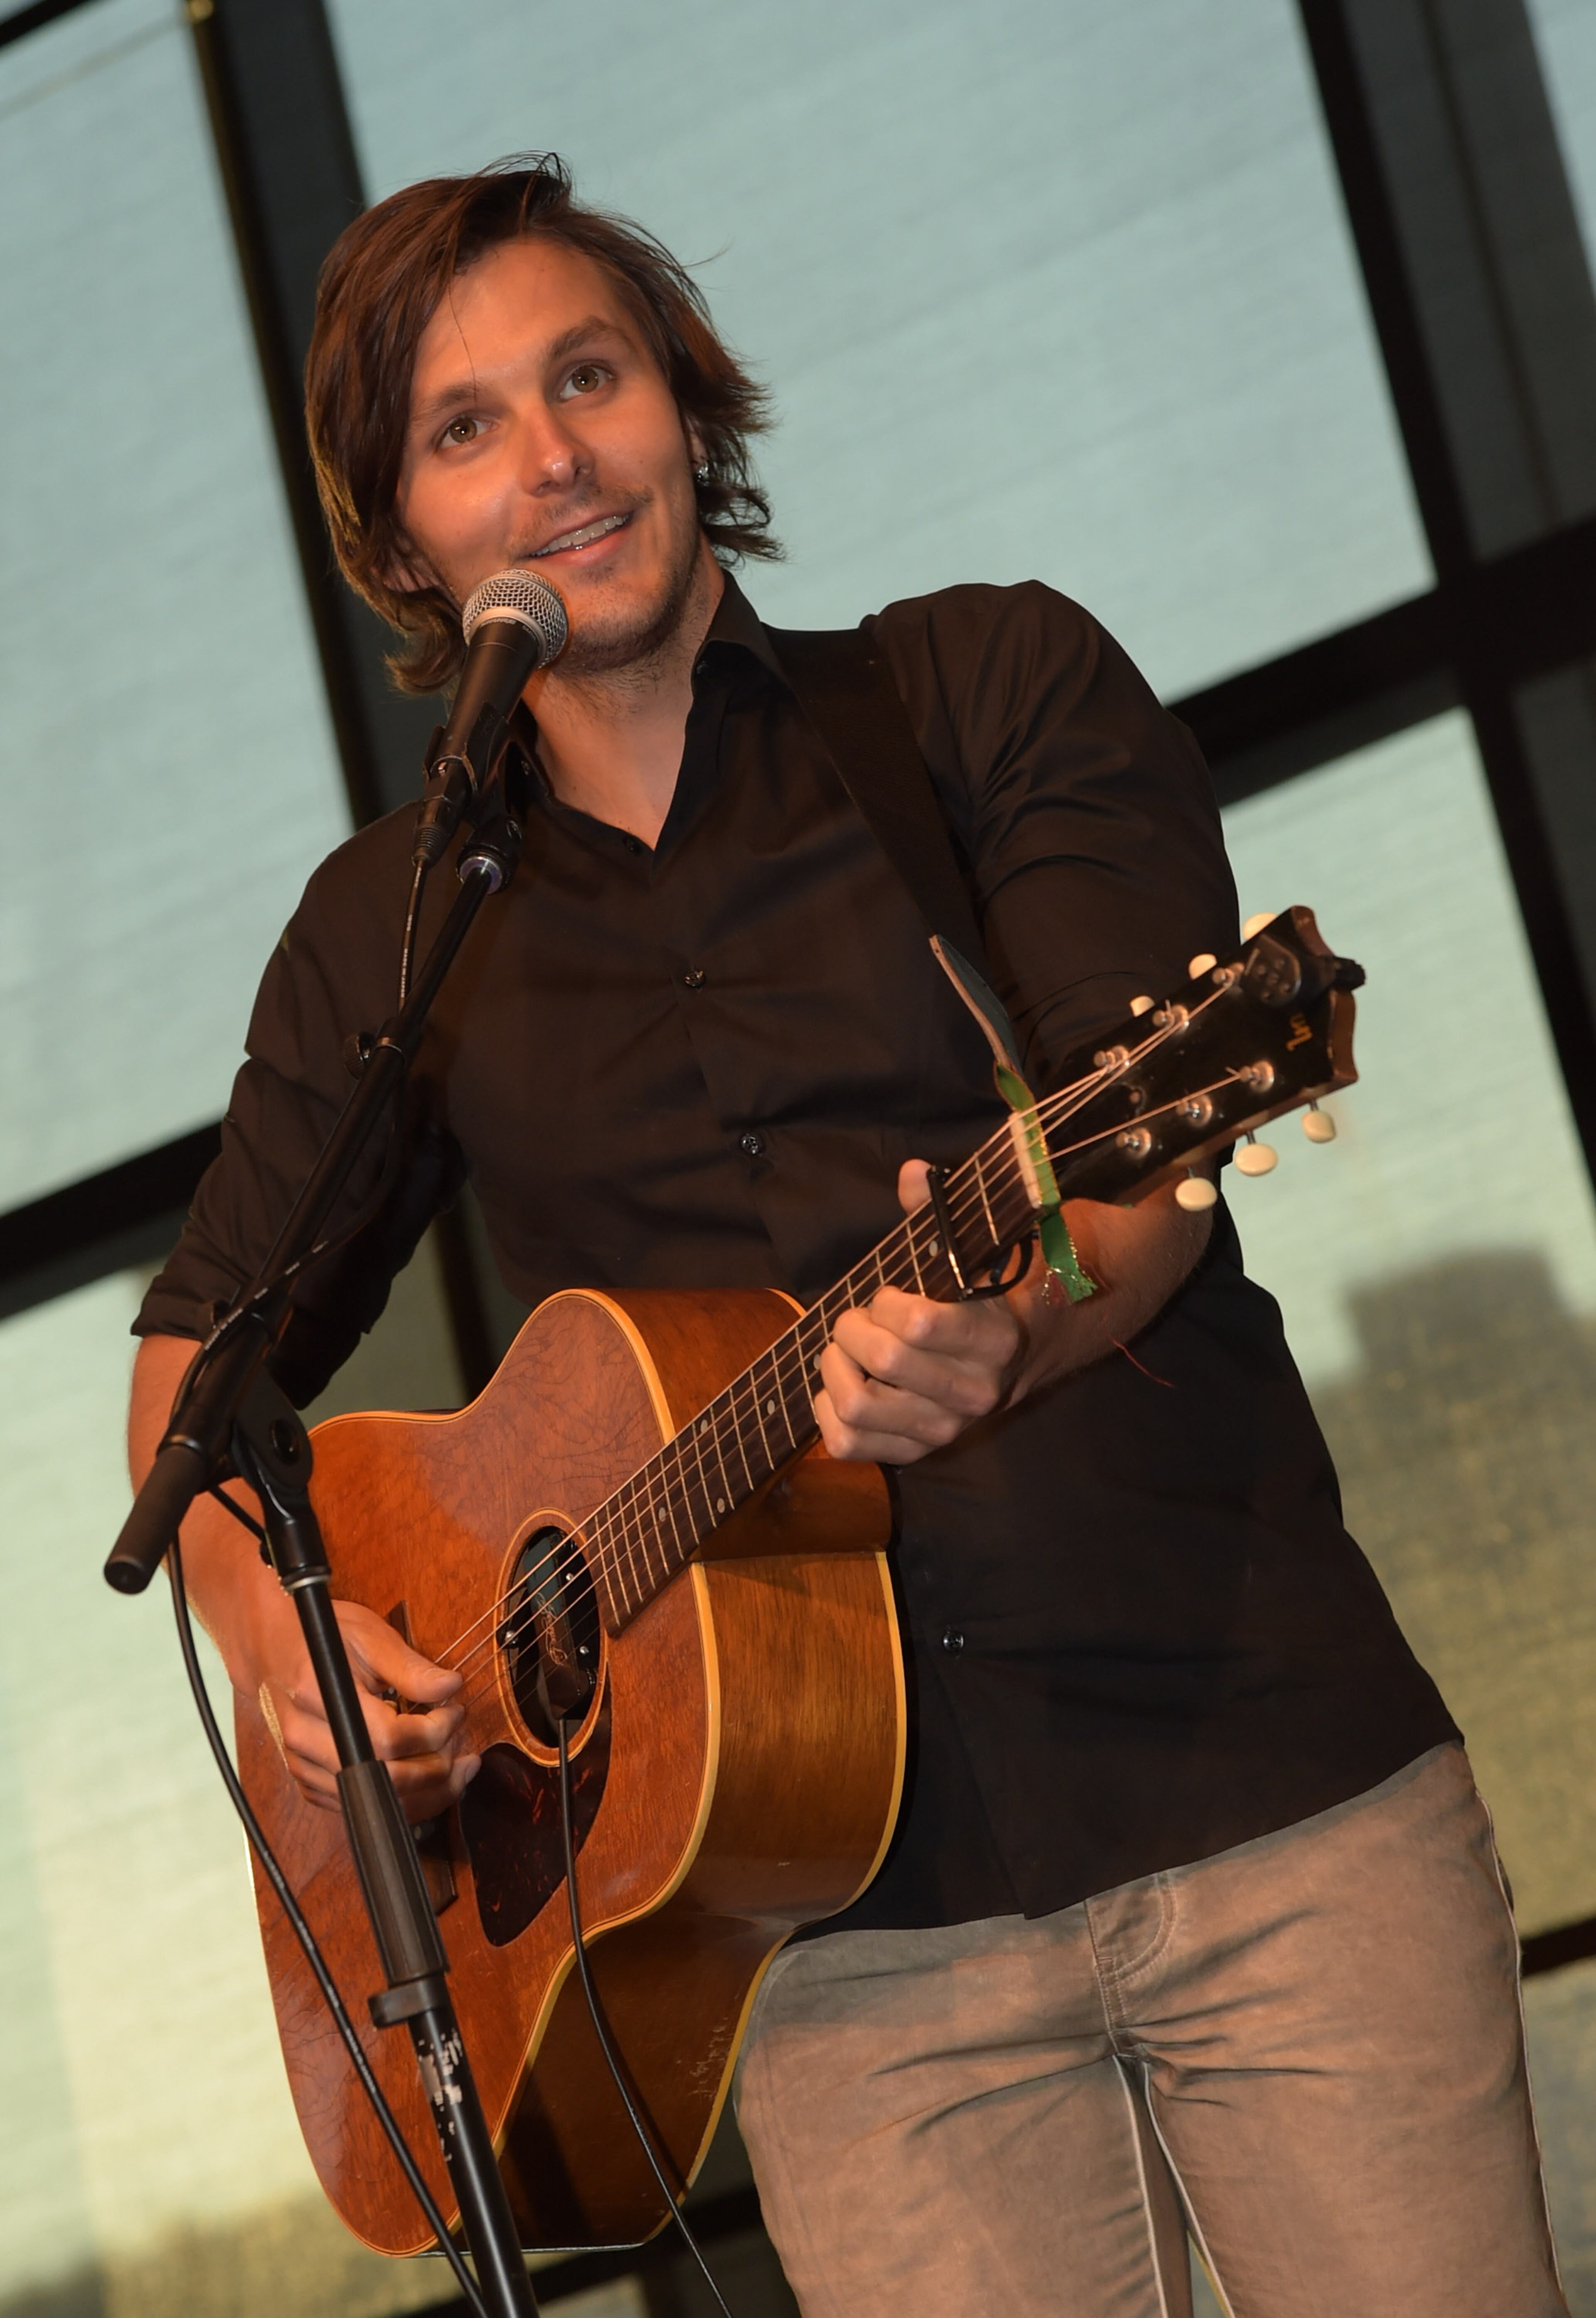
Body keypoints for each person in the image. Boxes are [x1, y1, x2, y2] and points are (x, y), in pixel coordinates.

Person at [126, 157, 1566, 2317]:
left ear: (684, 405)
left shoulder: (990, 689)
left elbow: (1134, 1170)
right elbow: (193, 1375)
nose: (553, 460)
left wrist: (1025, 1324)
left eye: (588, 377)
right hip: (834, 1953)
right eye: (464, 428)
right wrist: (303, 1660)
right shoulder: (392, 935)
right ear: (404, 536)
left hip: (1264, 1793)